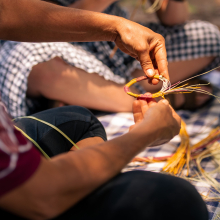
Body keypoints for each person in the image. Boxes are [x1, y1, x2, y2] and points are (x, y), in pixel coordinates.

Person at [0, 0, 208, 219]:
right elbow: (40, 195)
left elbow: (4, 11)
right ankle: (76, 184)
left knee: (79, 121)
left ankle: (81, 179)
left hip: (107, 52)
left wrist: (117, 28)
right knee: (177, 200)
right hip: (36, 194)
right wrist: (145, 134)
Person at [1, 0, 219, 117]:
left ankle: (95, 97)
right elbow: (33, 19)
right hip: (62, 42)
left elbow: (175, 18)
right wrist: (114, 27)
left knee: (208, 36)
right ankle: (157, 101)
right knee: (29, 57)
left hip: (119, 48)